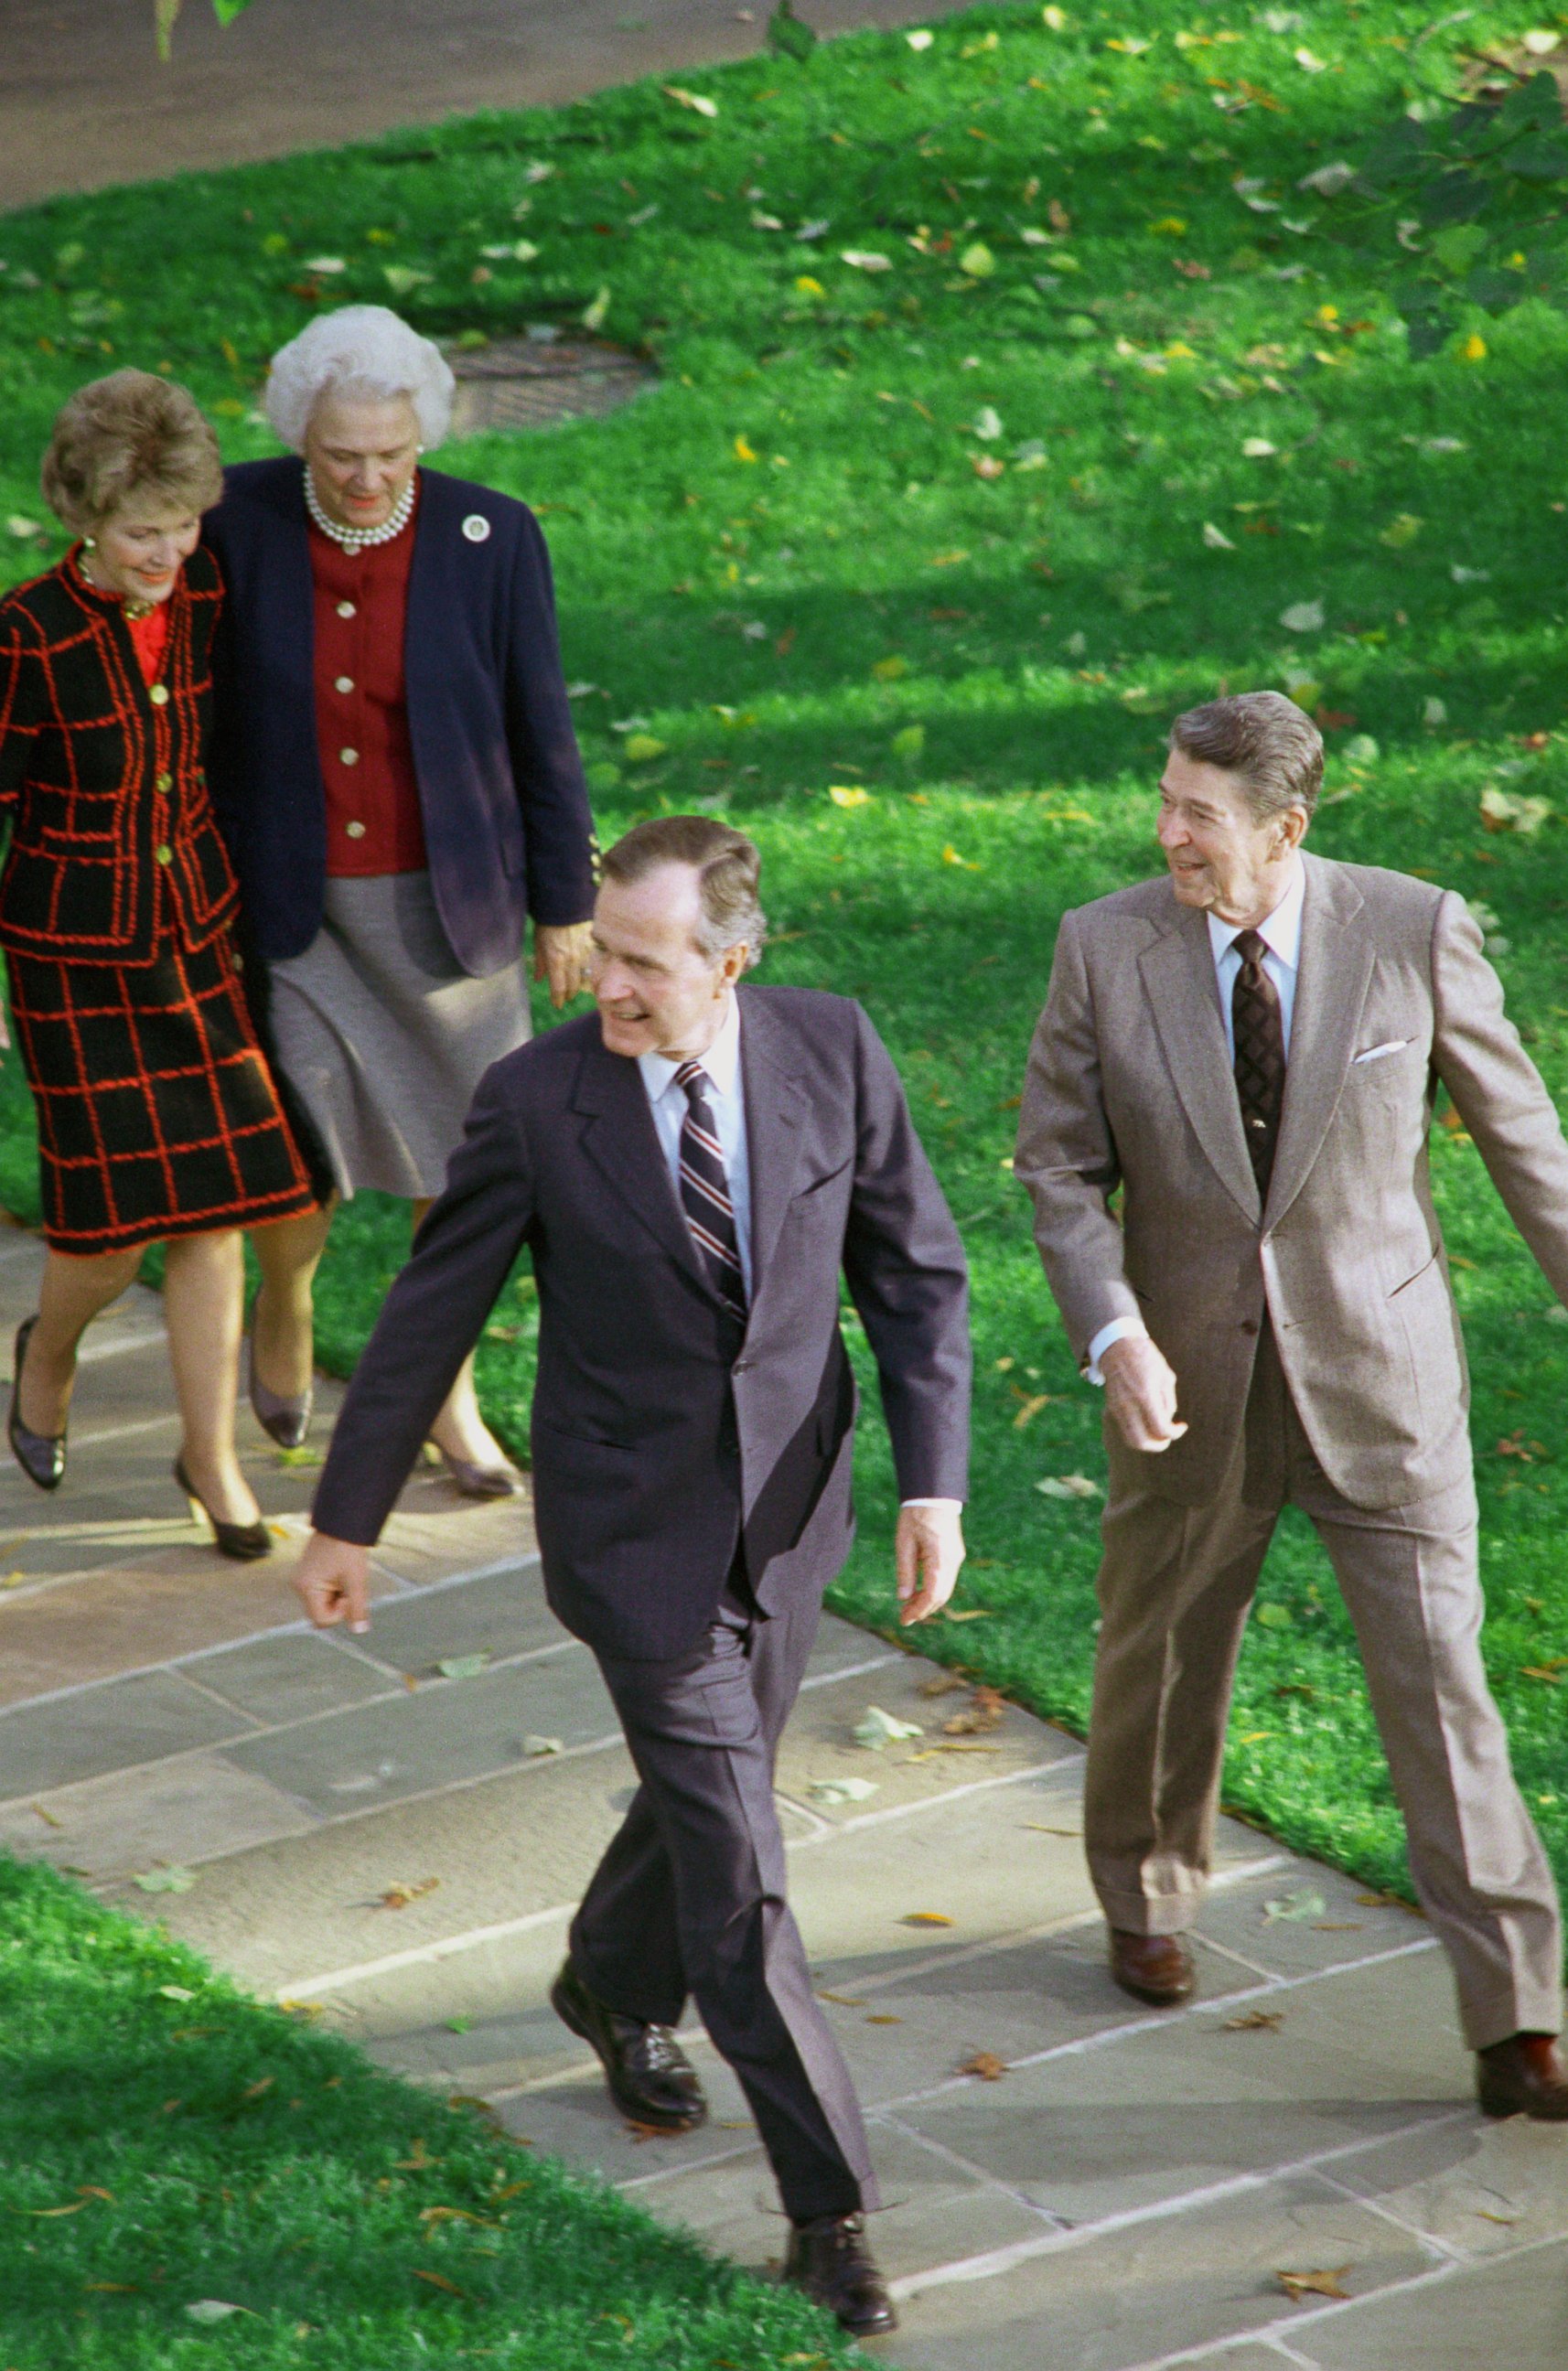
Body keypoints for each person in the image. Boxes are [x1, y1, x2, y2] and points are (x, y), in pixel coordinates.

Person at [290, 817, 972, 2332]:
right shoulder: (536, 1100)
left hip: (792, 1522)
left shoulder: (832, 1051)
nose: (609, 984)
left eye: (647, 963)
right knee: (741, 1881)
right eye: (602, 951)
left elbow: (912, 1271)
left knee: (705, 1808)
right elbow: (428, 1312)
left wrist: (936, 1480)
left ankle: (605, 1978)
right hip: (632, 1539)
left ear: (732, 963)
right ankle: (829, 2214)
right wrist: (347, 1519)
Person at [1015, 689, 1568, 2120]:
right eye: (1164, 802)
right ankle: (1145, 1895)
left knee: (1441, 1689)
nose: (1167, 835)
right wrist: (1113, 1330)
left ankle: (1514, 2011)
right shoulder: (1103, 945)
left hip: (1380, 1384)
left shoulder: (1410, 925)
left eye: (1197, 813)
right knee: (1160, 1657)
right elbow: (1057, 1170)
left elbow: (1519, 1129)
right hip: (1183, 1385)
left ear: (1285, 826)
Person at [203, 305, 598, 1489]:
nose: (369, 477)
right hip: (294, 909)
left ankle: (443, 1393)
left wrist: (563, 903)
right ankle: (287, 1305)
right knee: (294, 1157)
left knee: (463, 1175)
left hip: (448, 909)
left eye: (392, 453)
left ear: (421, 434)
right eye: (341, 456)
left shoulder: (494, 534)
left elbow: (542, 730)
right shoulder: (235, 521)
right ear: (299, 438)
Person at [0, 370, 320, 1555]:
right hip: (69, 962)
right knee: (104, 1230)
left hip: (196, 935)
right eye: (144, 531)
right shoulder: (25, 635)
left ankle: (213, 1460)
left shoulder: (204, 597)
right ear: (85, 515)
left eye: (185, 526)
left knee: (228, 1206)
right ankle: (49, 1356)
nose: (170, 552)